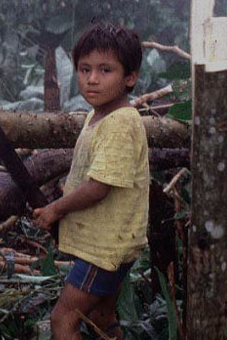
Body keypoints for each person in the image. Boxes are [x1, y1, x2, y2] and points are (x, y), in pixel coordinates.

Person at [32, 24, 149, 340]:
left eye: (105, 70)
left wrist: (55, 209)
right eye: (85, 69)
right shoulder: (98, 115)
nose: (91, 79)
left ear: (130, 77)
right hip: (109, 242)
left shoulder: (121, 122)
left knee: (63, 320)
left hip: (106, 247)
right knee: (100, 317)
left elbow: (99, 186)